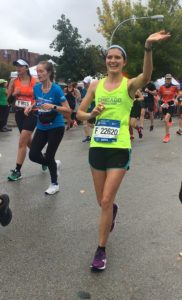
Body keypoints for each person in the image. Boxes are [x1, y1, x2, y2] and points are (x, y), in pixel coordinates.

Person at [77, 30, 170, 271]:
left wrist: (148, 47)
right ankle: (112, 210)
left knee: (106, 199)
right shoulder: (96, 85)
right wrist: (91, 115)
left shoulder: (129, 85)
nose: (113, 60)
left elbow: (147, 76)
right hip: (97, 148)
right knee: (102, 202)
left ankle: (100, 250)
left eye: (117, 57)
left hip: (119, 148)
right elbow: (79, 114)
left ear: (124, 62)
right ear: (106, 60)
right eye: (109, 57)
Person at [25, 61, 71, 195]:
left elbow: (68, 110)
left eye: (41, 71)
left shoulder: (56, 89)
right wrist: (31, 106)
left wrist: (53, 106)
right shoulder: (36, 88)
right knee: (33, 155)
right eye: (37, 72)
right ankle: (54, 164)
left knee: (49, 155)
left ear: (49, 73)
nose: (38, 74)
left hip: (56, 127)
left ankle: (54, 184)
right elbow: (38, 102)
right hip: (41, 125)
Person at [7, 59, 37, 181]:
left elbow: (40, 99)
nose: (18, 69)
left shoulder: (35, 82)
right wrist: (14, 94)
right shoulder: (14, 82)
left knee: (21, 141)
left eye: (20, 66)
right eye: (16, 66)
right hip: (19, 114)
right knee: (27, 141)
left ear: (26, 67)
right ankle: (42, 158)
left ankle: (17, 170)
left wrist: (32, 105)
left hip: (32, 113)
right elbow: (8, 101)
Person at [158, 74, 179, 143]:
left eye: (169, 79)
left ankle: (167, 135)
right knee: (166, 119)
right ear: (165, 79)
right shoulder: (161, 87)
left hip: (171, 104)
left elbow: (178, 93)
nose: (168, 80)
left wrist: (176, 99)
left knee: (165, 119)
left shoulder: (174, 87)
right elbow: (159, 96)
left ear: (171, 79)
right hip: (164, 104)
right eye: (167, 79)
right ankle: (170, 121)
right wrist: (161, 104)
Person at [81, 76, 95, 142]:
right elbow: (82, 99)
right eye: (84, 83)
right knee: (85, 123)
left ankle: (98, 129)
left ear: (89, 83)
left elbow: (96, 99)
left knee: (91, 124)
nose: (84, 84)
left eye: (85, 83)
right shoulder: (83, 90)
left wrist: (88, 100)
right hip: (85, 110)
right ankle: (88, 137)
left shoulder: (93, 89)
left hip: (93, 109)